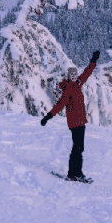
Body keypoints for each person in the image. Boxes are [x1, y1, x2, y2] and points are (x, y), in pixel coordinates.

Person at [40, 50, 100, 181]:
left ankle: (76, 172)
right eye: (71, 75)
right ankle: (74, 174)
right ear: (68, 76)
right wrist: (48, 117)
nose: (73, 77)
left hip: (81, 122)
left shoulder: (78, 84)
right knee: (77, 148)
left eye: (75, 75)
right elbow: (59, 106)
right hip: (74, 123)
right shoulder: (67, 90)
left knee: (79, 148)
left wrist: (93, 61)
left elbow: (87, 72)